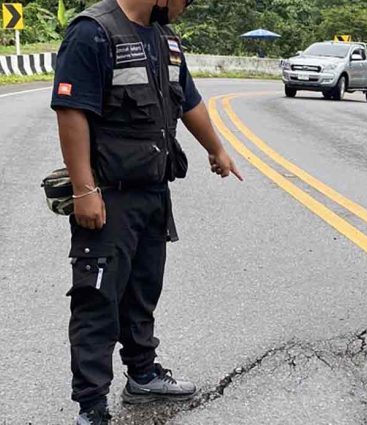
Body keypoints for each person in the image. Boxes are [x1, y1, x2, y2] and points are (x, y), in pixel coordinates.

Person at [50, 0, 243, 423]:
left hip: (153, 192)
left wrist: (217, 150)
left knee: (142, 291)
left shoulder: (166, 41)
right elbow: (71, 111)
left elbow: (188, 101)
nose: (185, 9)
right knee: (97, 299)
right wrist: (84, 190)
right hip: (108, 192)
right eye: (185, 1)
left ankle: (142, 374)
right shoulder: (93, 32)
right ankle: (92, 406)